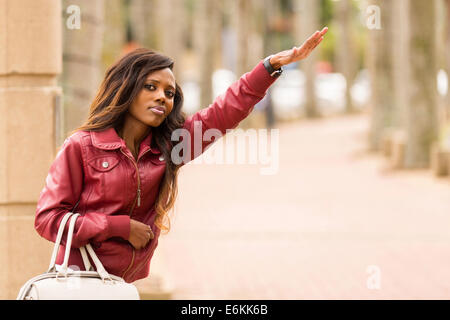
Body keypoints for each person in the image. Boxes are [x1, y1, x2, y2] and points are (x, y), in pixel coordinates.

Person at [34, 27, 328, 283]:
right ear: (126, 88)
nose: (162, 96)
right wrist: (118, 227)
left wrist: (270, 66)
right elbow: (47, 219)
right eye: (151, 87)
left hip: (120, 284)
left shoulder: (168, 148)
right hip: (78, 280)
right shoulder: (82, 146)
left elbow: (222, 114)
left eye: (169, 92)